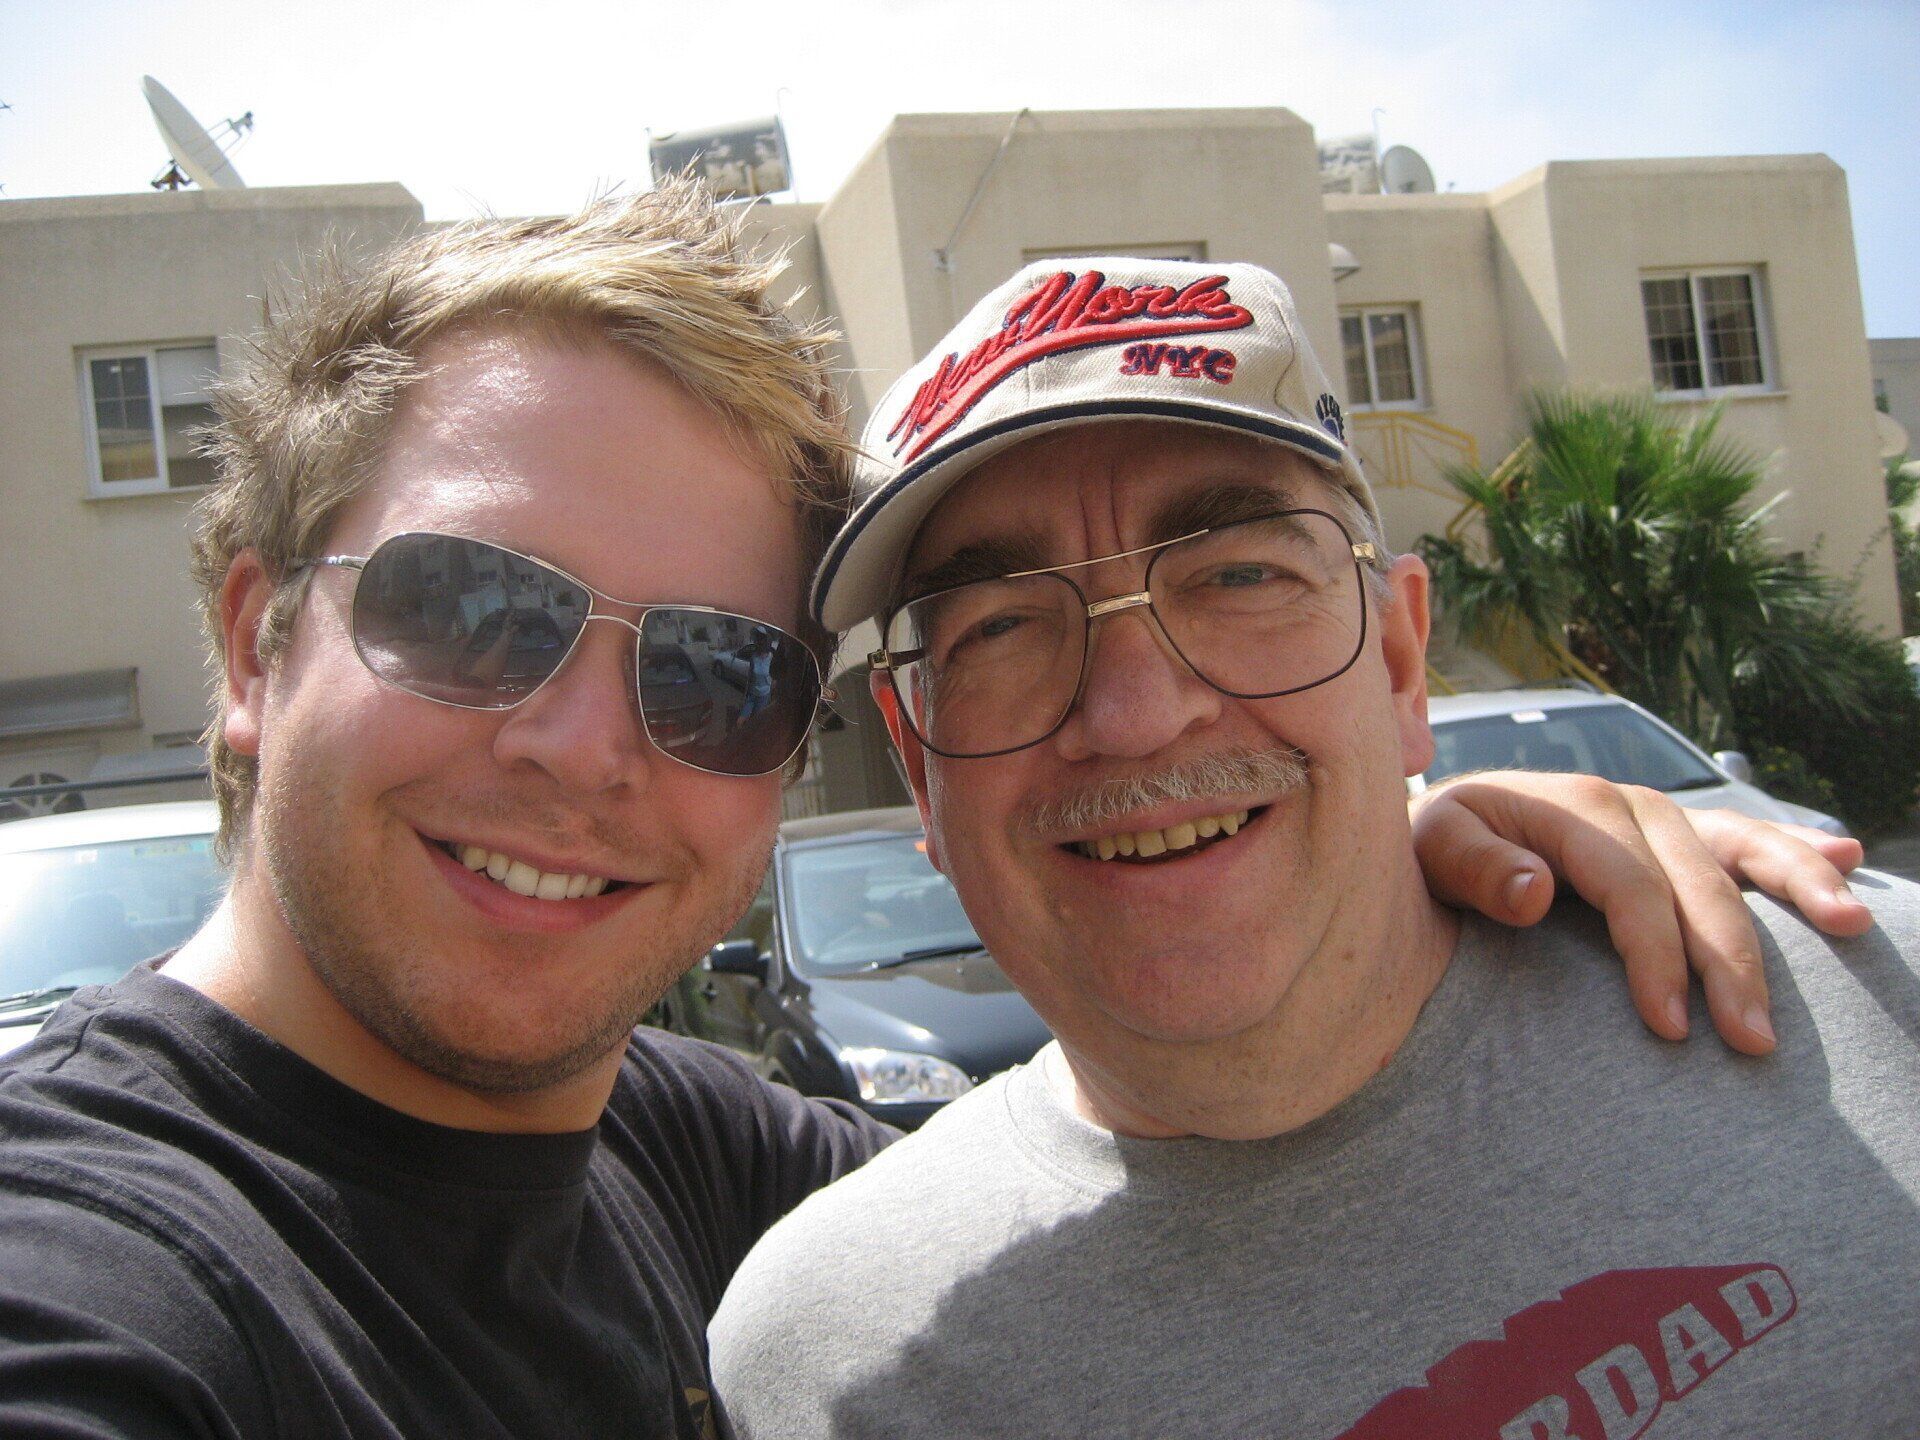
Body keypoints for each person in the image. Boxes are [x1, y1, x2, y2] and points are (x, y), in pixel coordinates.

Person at [0, 190, 1863, 1439]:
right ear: (252, 644)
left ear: (1394, 654)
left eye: (716, 668)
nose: (584, 748)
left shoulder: (687, 1162)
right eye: (474, 606)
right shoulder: (92, 1283)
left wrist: (1400, 830)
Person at [709, 256, 1920, 1437]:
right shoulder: (833, 1363)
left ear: (1399, 662)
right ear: (916, 759)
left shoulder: (1876, 999)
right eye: (1003, 626)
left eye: (1239, 575)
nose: (1134, 714)